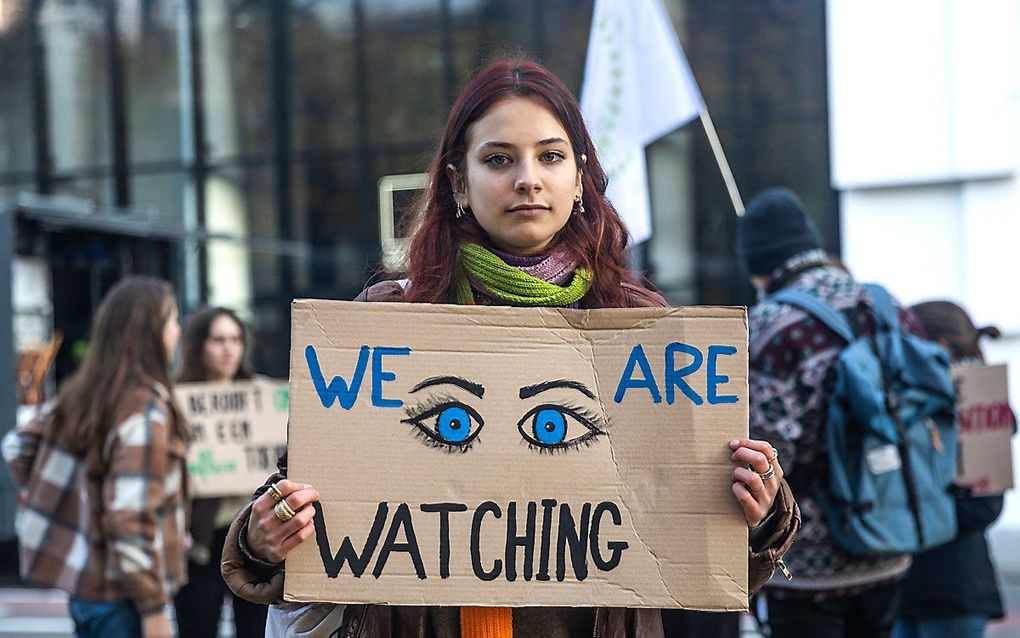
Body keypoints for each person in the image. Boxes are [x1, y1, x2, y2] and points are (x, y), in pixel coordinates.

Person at [221, 60, 800, 638]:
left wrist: (760, 509)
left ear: (579, 179)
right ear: (457, 183)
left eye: (550, 156)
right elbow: (303, 490)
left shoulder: (638, 326)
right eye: (499, 159)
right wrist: (263, 536)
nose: (527, 178)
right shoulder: (389, 319)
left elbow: (696, 540)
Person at [740, 187, 923, 638]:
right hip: (889, 539)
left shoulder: (772, 325)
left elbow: (772, 454)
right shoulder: (885, 305)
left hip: (808, 566)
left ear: (758, 265)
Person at [3, 276, 188, 638]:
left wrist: (71, 506)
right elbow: (130, 519)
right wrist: (153, 611)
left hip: (85, 591)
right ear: (150, 332)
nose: (177, 331)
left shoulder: (85, 394)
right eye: (172, 320)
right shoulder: (145, 409)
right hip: (126, 599)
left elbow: (16, 447)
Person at [893, 301, 1013, 638]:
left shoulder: (979, 405)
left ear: (939, 345)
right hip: (906, 587)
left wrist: (911, 514)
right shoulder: (907, 397)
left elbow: (985, 506)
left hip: (952, 591)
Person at [172, 307, 267, 638]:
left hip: (253, 537)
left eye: (236, 339)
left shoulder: (262, 396)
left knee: (255, 627)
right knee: (197, 625)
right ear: (199, 345)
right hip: (197, 537)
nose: (229, 349)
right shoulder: (175, 401)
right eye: (218, 340)